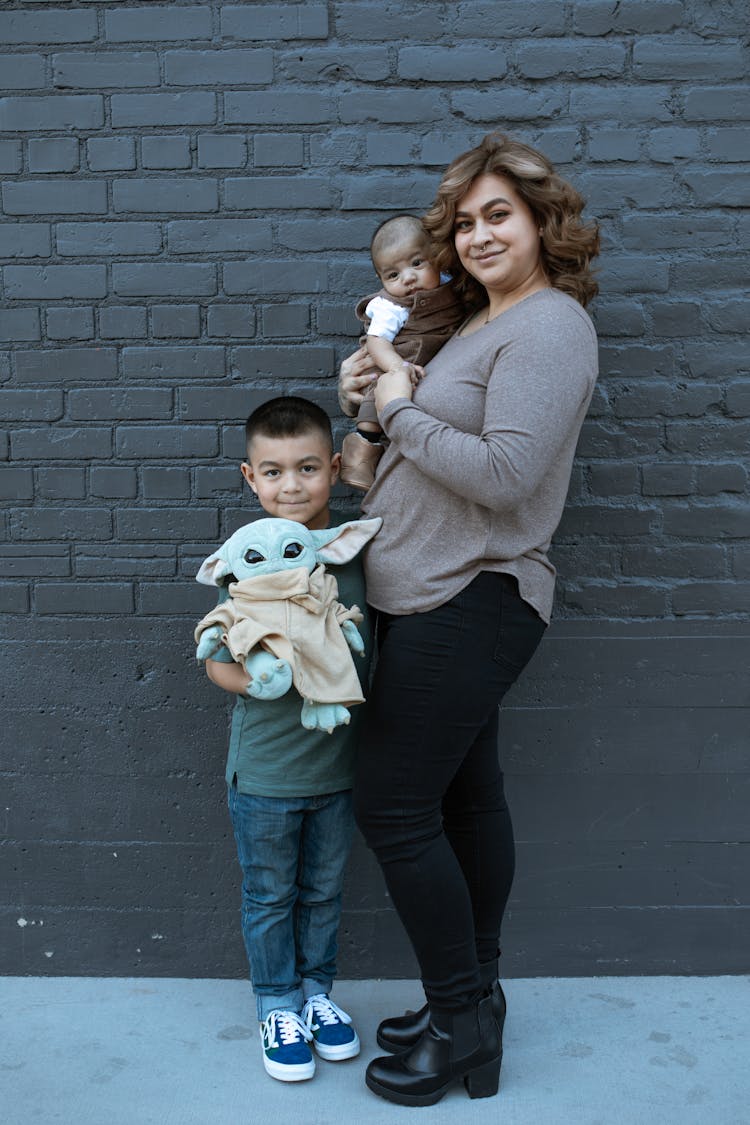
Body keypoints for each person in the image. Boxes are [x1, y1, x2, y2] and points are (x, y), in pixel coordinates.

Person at [337, 132, 600, 1107]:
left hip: (475, 595)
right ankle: (475, 1003)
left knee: (393, 808)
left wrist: (402, 409)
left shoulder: (549, 328)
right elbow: (422, 438)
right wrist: (372, 409)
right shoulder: (481, 324)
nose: (481, 233)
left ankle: (459, 1023)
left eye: (502, 214)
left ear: (542, 223)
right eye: (467, 220)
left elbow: (505, 474)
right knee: (464, 801)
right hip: (430, 590)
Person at [203, 397, 371, 1084]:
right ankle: (277, 1003)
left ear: (334, 468)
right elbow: (215, 658)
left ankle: (317, 994)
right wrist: (258, 679)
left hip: (338, 767)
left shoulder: (352, 548)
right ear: (250, 477)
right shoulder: (243, 559)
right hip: (267, 773)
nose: (291, 485)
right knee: (271, 894)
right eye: (273, 472)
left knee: (324, 891)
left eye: (307, 467)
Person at [339, 214, 465, 492]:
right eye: (393, 275)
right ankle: (360, 449)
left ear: (437, 258)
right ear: (381, 279)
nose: (408, 278)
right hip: (397, 354)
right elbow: (377, 342)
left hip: (431, 351)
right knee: (378, 387)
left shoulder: (452, 285)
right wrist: (396, 367)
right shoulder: (390, 306)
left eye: (417, 263)